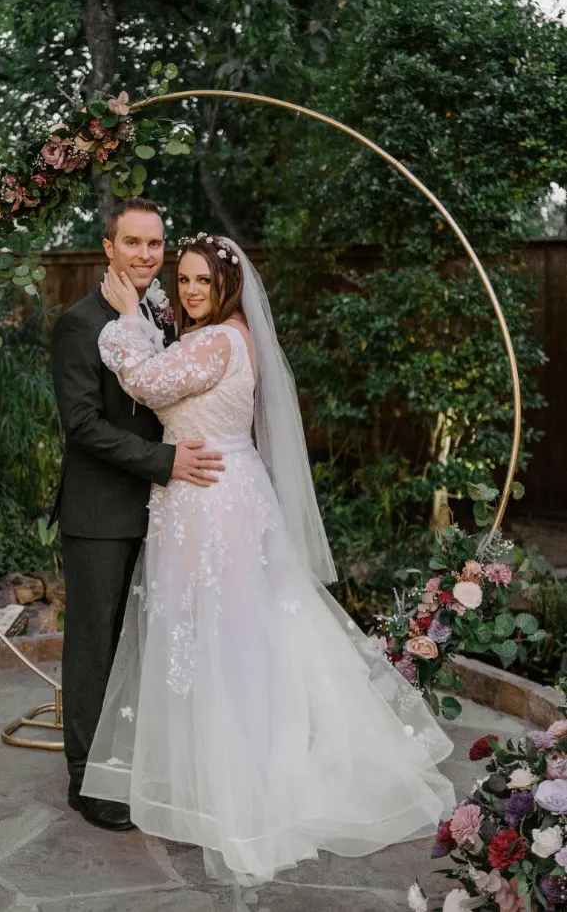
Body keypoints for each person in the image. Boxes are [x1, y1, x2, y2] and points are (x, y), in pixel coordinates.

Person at [80, 233, 456, 886]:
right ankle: (218, 767)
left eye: (203, 280)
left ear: (227, 286)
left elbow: (144, 379)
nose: (192, 290)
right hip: (216, 489)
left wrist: (127, 319)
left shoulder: (216, 340)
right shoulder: (230, 335)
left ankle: (241, 784)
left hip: (209, 502)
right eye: (186, 279)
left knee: (220, 634)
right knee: (237, 630)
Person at [50, 200, 225, 832]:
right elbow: (83, 426)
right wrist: (166, 461)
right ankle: (84, 781)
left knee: (143, 646)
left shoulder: (163, 316)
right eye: (133, 243)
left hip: (163, 509)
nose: (147, 255)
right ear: (108, 247)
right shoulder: (79, 322)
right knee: (95, 648)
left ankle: (131, 764)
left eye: (156, 244)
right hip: (100, 512)